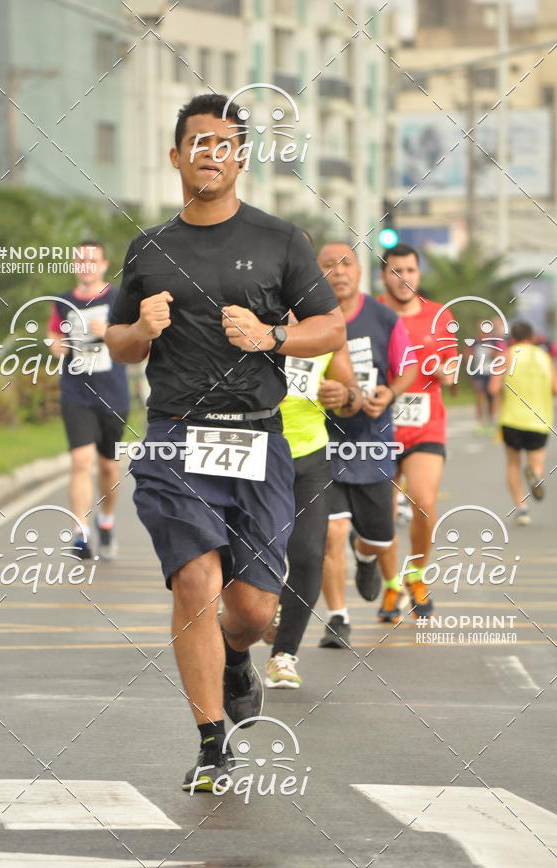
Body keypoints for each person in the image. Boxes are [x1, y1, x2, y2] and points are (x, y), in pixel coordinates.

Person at [105, 94, 345, 792]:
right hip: (175, 437)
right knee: (196, 580)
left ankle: (239, 659)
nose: (210, 153)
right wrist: (141, 329)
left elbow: (327, 328)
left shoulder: (281, 240)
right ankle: (213, 743)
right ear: (176, 156)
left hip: (257, 439)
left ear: (241, 157)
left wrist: (271, 336)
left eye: (225, 143)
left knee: (251, 612)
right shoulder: (149, 248)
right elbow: (118, 344)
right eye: (197, 142)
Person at [315, 242, 417, 640]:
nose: (338, 271)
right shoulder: (309, 319)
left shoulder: (383, 318)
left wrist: (389, 394)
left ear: (359, 272)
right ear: (316, 273)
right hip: (321, 444)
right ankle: (338, 618)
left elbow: (406, 367)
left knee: (379, 538)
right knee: (331, 532)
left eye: (346, 264)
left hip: (372, 443)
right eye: (328, 265)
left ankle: (365, 555)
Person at [265, 330, 362, 688]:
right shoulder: (249, 312)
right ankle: (241, 640)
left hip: (309, 456)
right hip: (256, 453)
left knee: (308, 554)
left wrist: (345, 395)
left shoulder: (325, 327)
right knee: (255, 554)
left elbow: (352, 397)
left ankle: (283, 655)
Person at [379, 243, 453, 618]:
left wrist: (447, 372)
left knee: (423, 503)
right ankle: (391, 585)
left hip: (426, 425)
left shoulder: (440, 316)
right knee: (381, 515)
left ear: (418, 274)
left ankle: (417, 574)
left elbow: (452, 370)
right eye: (396, 271)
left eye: (410, 270)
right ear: (384, 275)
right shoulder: (372, 312)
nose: (404, 278)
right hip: (378, 427)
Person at [48, 240, 129, 560]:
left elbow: (134, 335)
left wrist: (109, 330)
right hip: (76, 391)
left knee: (108, 466)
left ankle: (106, 522)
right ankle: (80, 533)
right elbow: (54, 333)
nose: (86, 266)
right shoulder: (64, 301)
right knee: (81, 461)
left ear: (104, 265)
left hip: (113, 392)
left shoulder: (118, 298)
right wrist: (55, 345)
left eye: (92, 260)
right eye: (80, 260)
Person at [489, 319, 557, 526]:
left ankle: (522, 509)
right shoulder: (544, 357)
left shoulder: (506, 356)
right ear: (532, 338)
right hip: (539, 419)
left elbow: (492, 389)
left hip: (511, 419)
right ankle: (535, 476)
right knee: (535, 462)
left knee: (512, 464)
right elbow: (555, 388)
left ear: (513, 339)